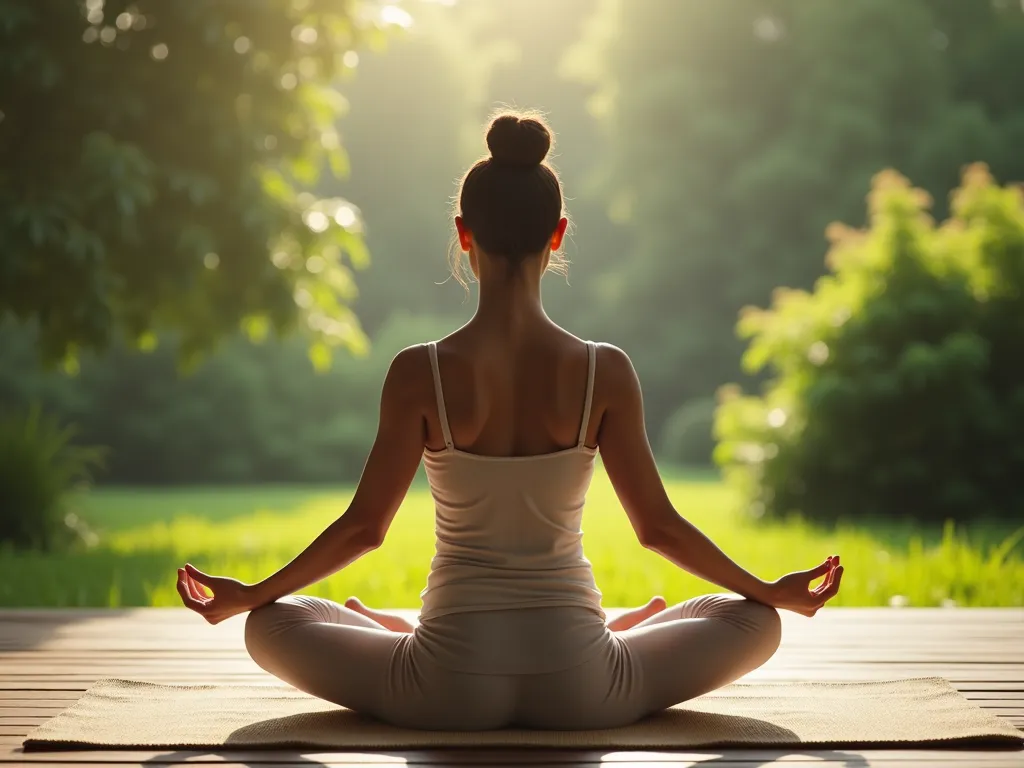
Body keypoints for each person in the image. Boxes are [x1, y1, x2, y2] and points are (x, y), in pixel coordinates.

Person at [176, 111, 844, 731]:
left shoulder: (420, 371)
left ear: (463, 234)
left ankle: (402, 635)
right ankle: (609, 634)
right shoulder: (603, 371)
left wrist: (252, 593)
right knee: (753, 621)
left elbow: (363, 530)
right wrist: (768, 590)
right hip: (587, 686)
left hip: (441, 687)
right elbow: (658, 529)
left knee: (272, 623)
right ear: (558, 235)